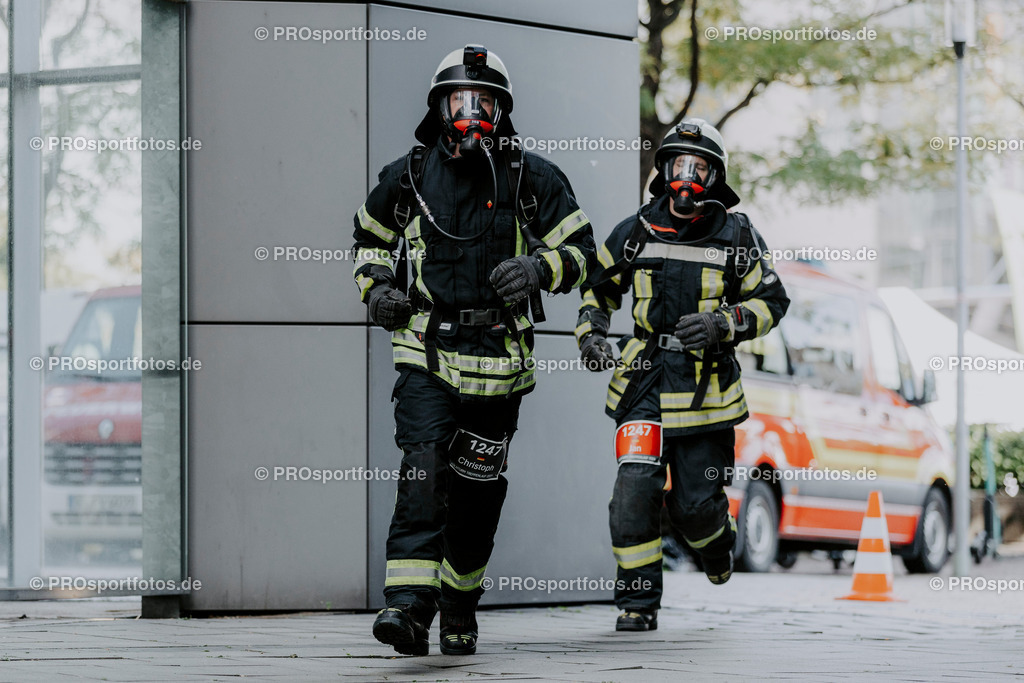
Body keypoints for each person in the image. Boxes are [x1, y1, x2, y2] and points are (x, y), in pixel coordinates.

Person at [352, 44, 595, 656]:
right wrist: (377, 290)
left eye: (484, 102)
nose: (472, 114)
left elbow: (585, 253)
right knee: (423, 469)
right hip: (425, 347)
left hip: (499, 362)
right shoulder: (405, 177)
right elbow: (368, 239)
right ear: (438, 107)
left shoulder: (530, 177)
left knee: (476, 494)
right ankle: (408, 609)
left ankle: (460, 602)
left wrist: (542, 269)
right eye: (460, 100)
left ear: (501, 112)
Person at [575, 118, 789, 632]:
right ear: (663, 171)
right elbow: (598, 288)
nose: (686, 177)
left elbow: (772, 300)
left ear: (714, 177)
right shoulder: (635, 231)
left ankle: (718, 547)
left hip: (706, 394)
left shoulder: (737, 235)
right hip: (644, 383)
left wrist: (723, 323)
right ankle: (637, 600)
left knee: (696, 507)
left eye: (698, 168)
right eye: (678, 165)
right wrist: (592, 334)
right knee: (632, 489)